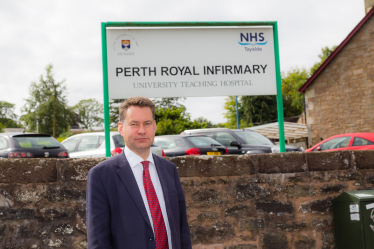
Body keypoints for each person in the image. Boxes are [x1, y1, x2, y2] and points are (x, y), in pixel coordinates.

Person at [86, 96, 192, 249]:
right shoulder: (101, 175)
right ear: (121, 128)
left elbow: (182, 227)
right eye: (134, 124)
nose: (142, 130)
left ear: (154, 126)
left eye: (147, 123)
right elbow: (98, 239)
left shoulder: (169, 169)